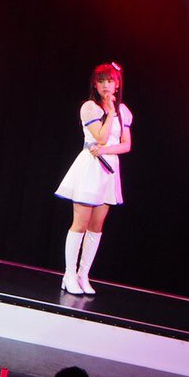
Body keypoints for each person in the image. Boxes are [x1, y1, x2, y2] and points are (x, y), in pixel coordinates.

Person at [55, 61, 134, 295]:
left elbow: (126, 145)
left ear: (117, 84)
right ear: (95, 85)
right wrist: (109, 112)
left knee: (97, 226)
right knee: (80, 222)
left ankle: (83, 275)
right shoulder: (90, 107)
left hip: (108, 170)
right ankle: (69, 274)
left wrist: (106, 150)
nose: (106, 85)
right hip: (90, 168)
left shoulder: (124, 111)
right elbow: (100, 137)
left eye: (110, 81)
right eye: (101, 81)